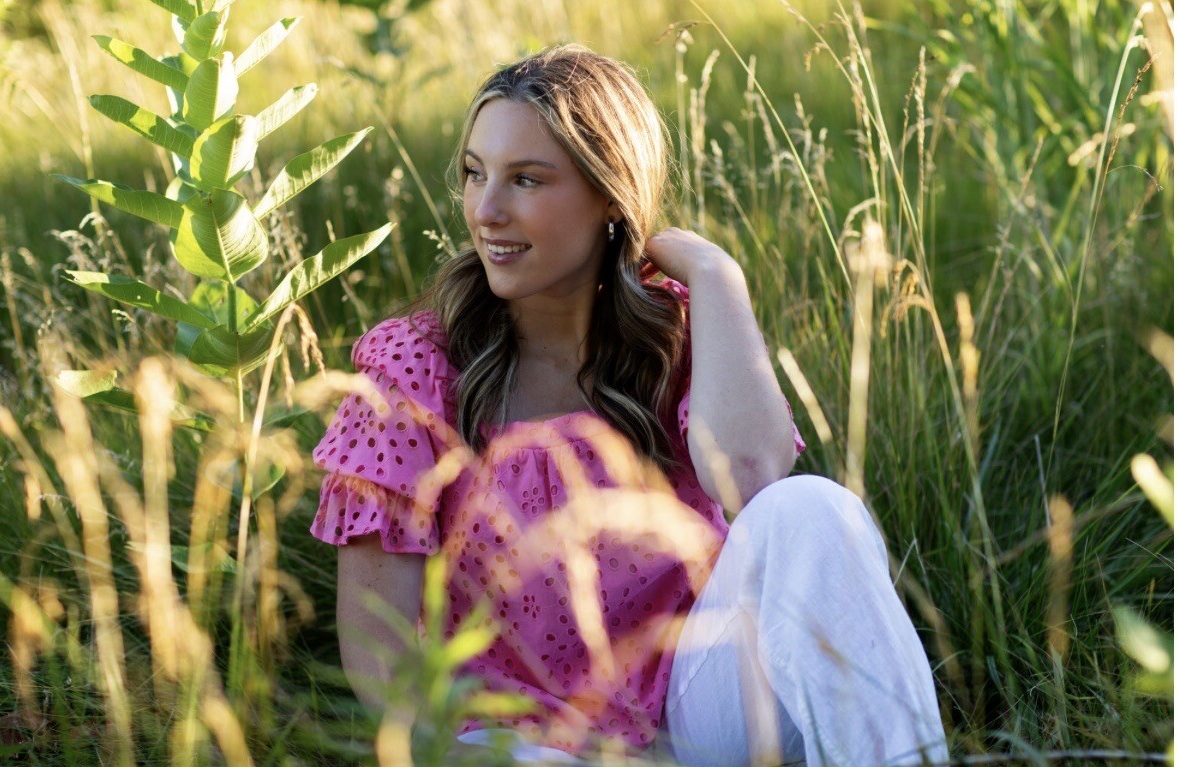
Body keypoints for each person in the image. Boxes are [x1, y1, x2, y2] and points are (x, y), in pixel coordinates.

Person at [311, 44, 948, 766]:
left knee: (813, 509)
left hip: (694, 707)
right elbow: (382, 652)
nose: (486, 211)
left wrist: (716, 275)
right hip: (515, 742)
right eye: (474, 173)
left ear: (609, 197)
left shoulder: (676, 331)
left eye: (526, 179)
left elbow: (754, 480)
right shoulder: (412, 365)